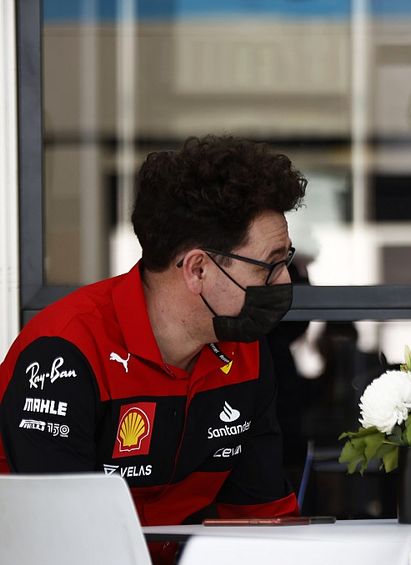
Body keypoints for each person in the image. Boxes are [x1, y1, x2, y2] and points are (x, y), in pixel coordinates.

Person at [0, 135, 306, 527]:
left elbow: (261, 520)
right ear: (198, 269)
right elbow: (61, 540)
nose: (283, 282)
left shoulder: (244, 351)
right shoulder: (65, 354)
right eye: (270, 265)